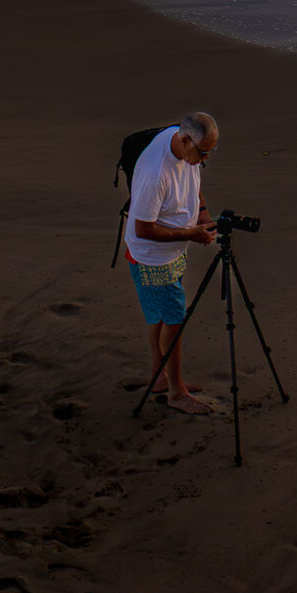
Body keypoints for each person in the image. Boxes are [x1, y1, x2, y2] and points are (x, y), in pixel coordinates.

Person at [125, 112, 219, 416]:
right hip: (153, 257)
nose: (203, 159)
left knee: (161, 317)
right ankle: (177, 392)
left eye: (209, 153)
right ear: (184, 139)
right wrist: (190, 234)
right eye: (202, 152)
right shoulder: (156, 173)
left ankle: (159, 378)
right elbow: (144, 229)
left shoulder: (181, 143)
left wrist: (202, 212)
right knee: (174, 320)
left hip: (171, 250)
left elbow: (193, 177)